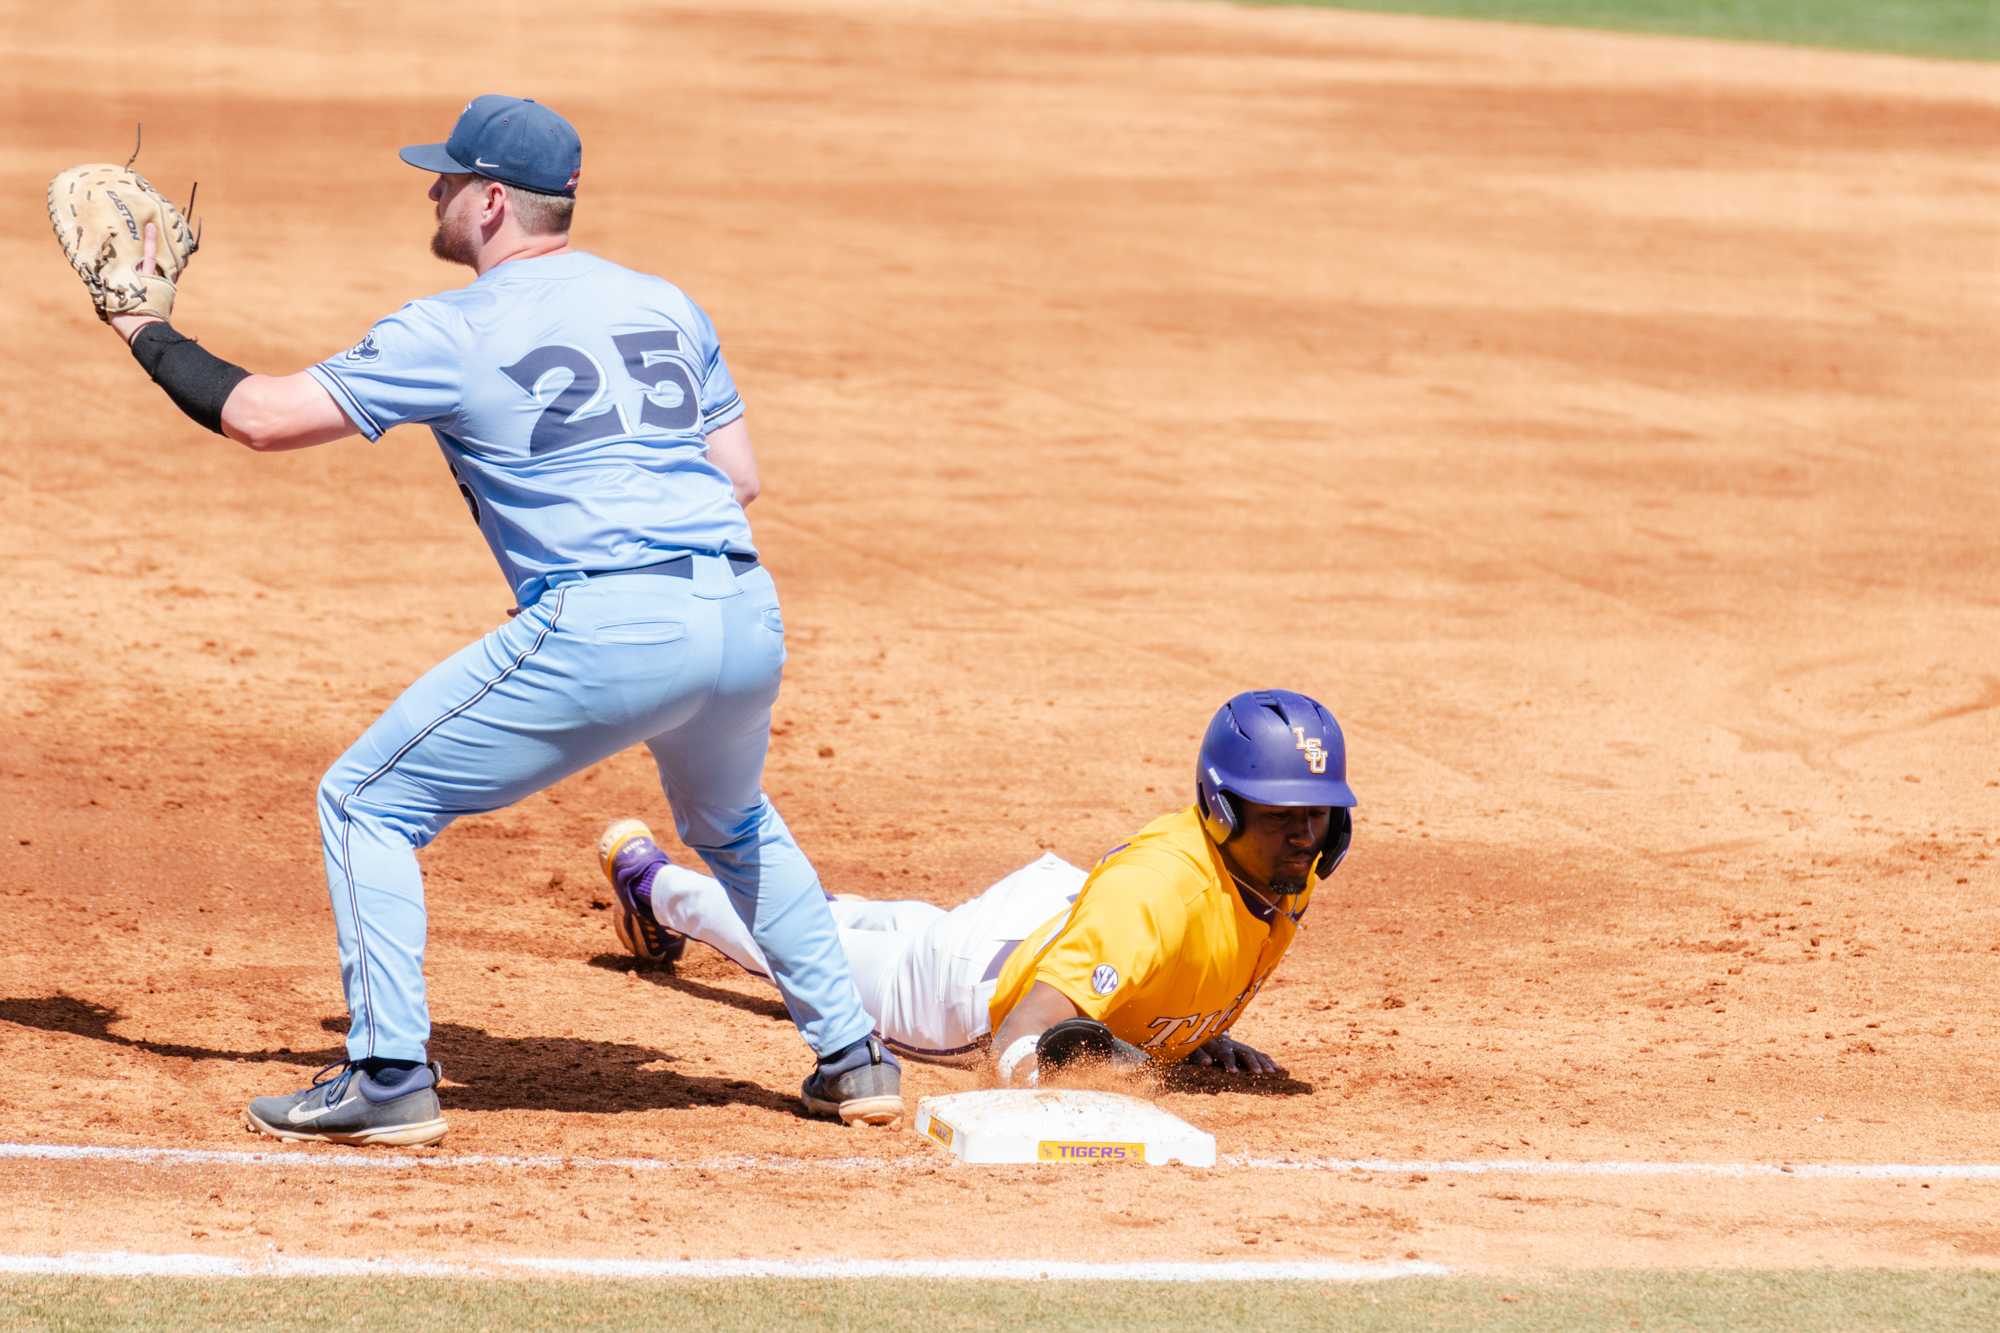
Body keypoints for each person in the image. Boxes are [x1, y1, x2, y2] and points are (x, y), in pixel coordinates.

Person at [95, 95, 900, 1144]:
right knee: (734, 821)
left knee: (364, 800)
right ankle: (854, 1058)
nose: (429, 191)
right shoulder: (666, 303)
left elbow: (260, 417)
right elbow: (736, 477)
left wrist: (140, 324)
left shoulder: (450, 328)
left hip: (609, 623)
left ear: (487, 201)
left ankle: (386, 1073)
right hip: (743, 612)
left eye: (443, 178)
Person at [599, 689, 1356, 1084]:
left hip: (1042, 921)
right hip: (959, 996)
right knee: (803, 946)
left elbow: (1173, 946)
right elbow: (1022, 1033)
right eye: (1280, 813)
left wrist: (1186, 1029)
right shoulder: (1156, 895)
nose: (1303, 834)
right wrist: (1062, 1084)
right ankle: (654, 884)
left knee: (876, 922)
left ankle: (804, 904)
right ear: (1222, 808)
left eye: (1318, 814)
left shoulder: (1277, 868)